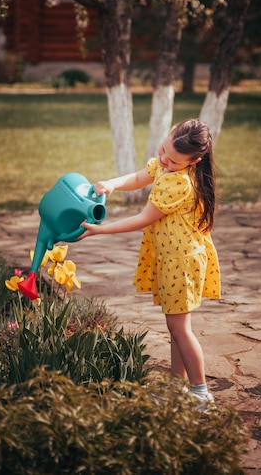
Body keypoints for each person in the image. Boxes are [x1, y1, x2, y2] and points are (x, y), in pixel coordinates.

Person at [79, 118, 221, 410]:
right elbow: (139, 177)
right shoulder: (169, 166)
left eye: (172, 159)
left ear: (194, 160)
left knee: (180, 328)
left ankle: (200, 392)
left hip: (180, 263)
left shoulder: (176, 181)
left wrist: (100, 230)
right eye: (164, 150)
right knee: (176, 326)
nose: (164, 159)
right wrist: (112, 185)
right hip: (176, 258)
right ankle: (176, 387)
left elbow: (143, 218)